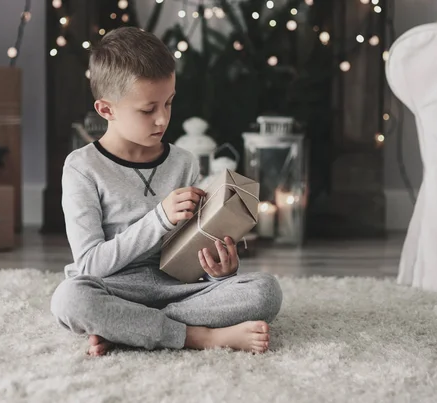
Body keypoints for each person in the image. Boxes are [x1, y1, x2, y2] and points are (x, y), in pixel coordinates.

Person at [51, 26, 283, 356]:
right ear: (106, 110)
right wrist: (158, 218)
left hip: (179, 289)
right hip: (114, 289)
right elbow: (89, 265)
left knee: (265, 292)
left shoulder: (183, 162)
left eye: (169, 103)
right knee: (70, 299)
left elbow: (188, 253)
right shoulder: (81, 167)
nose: (162, 120)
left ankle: (129, 329)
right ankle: (197, 337)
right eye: (148, 110)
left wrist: (220, 271)